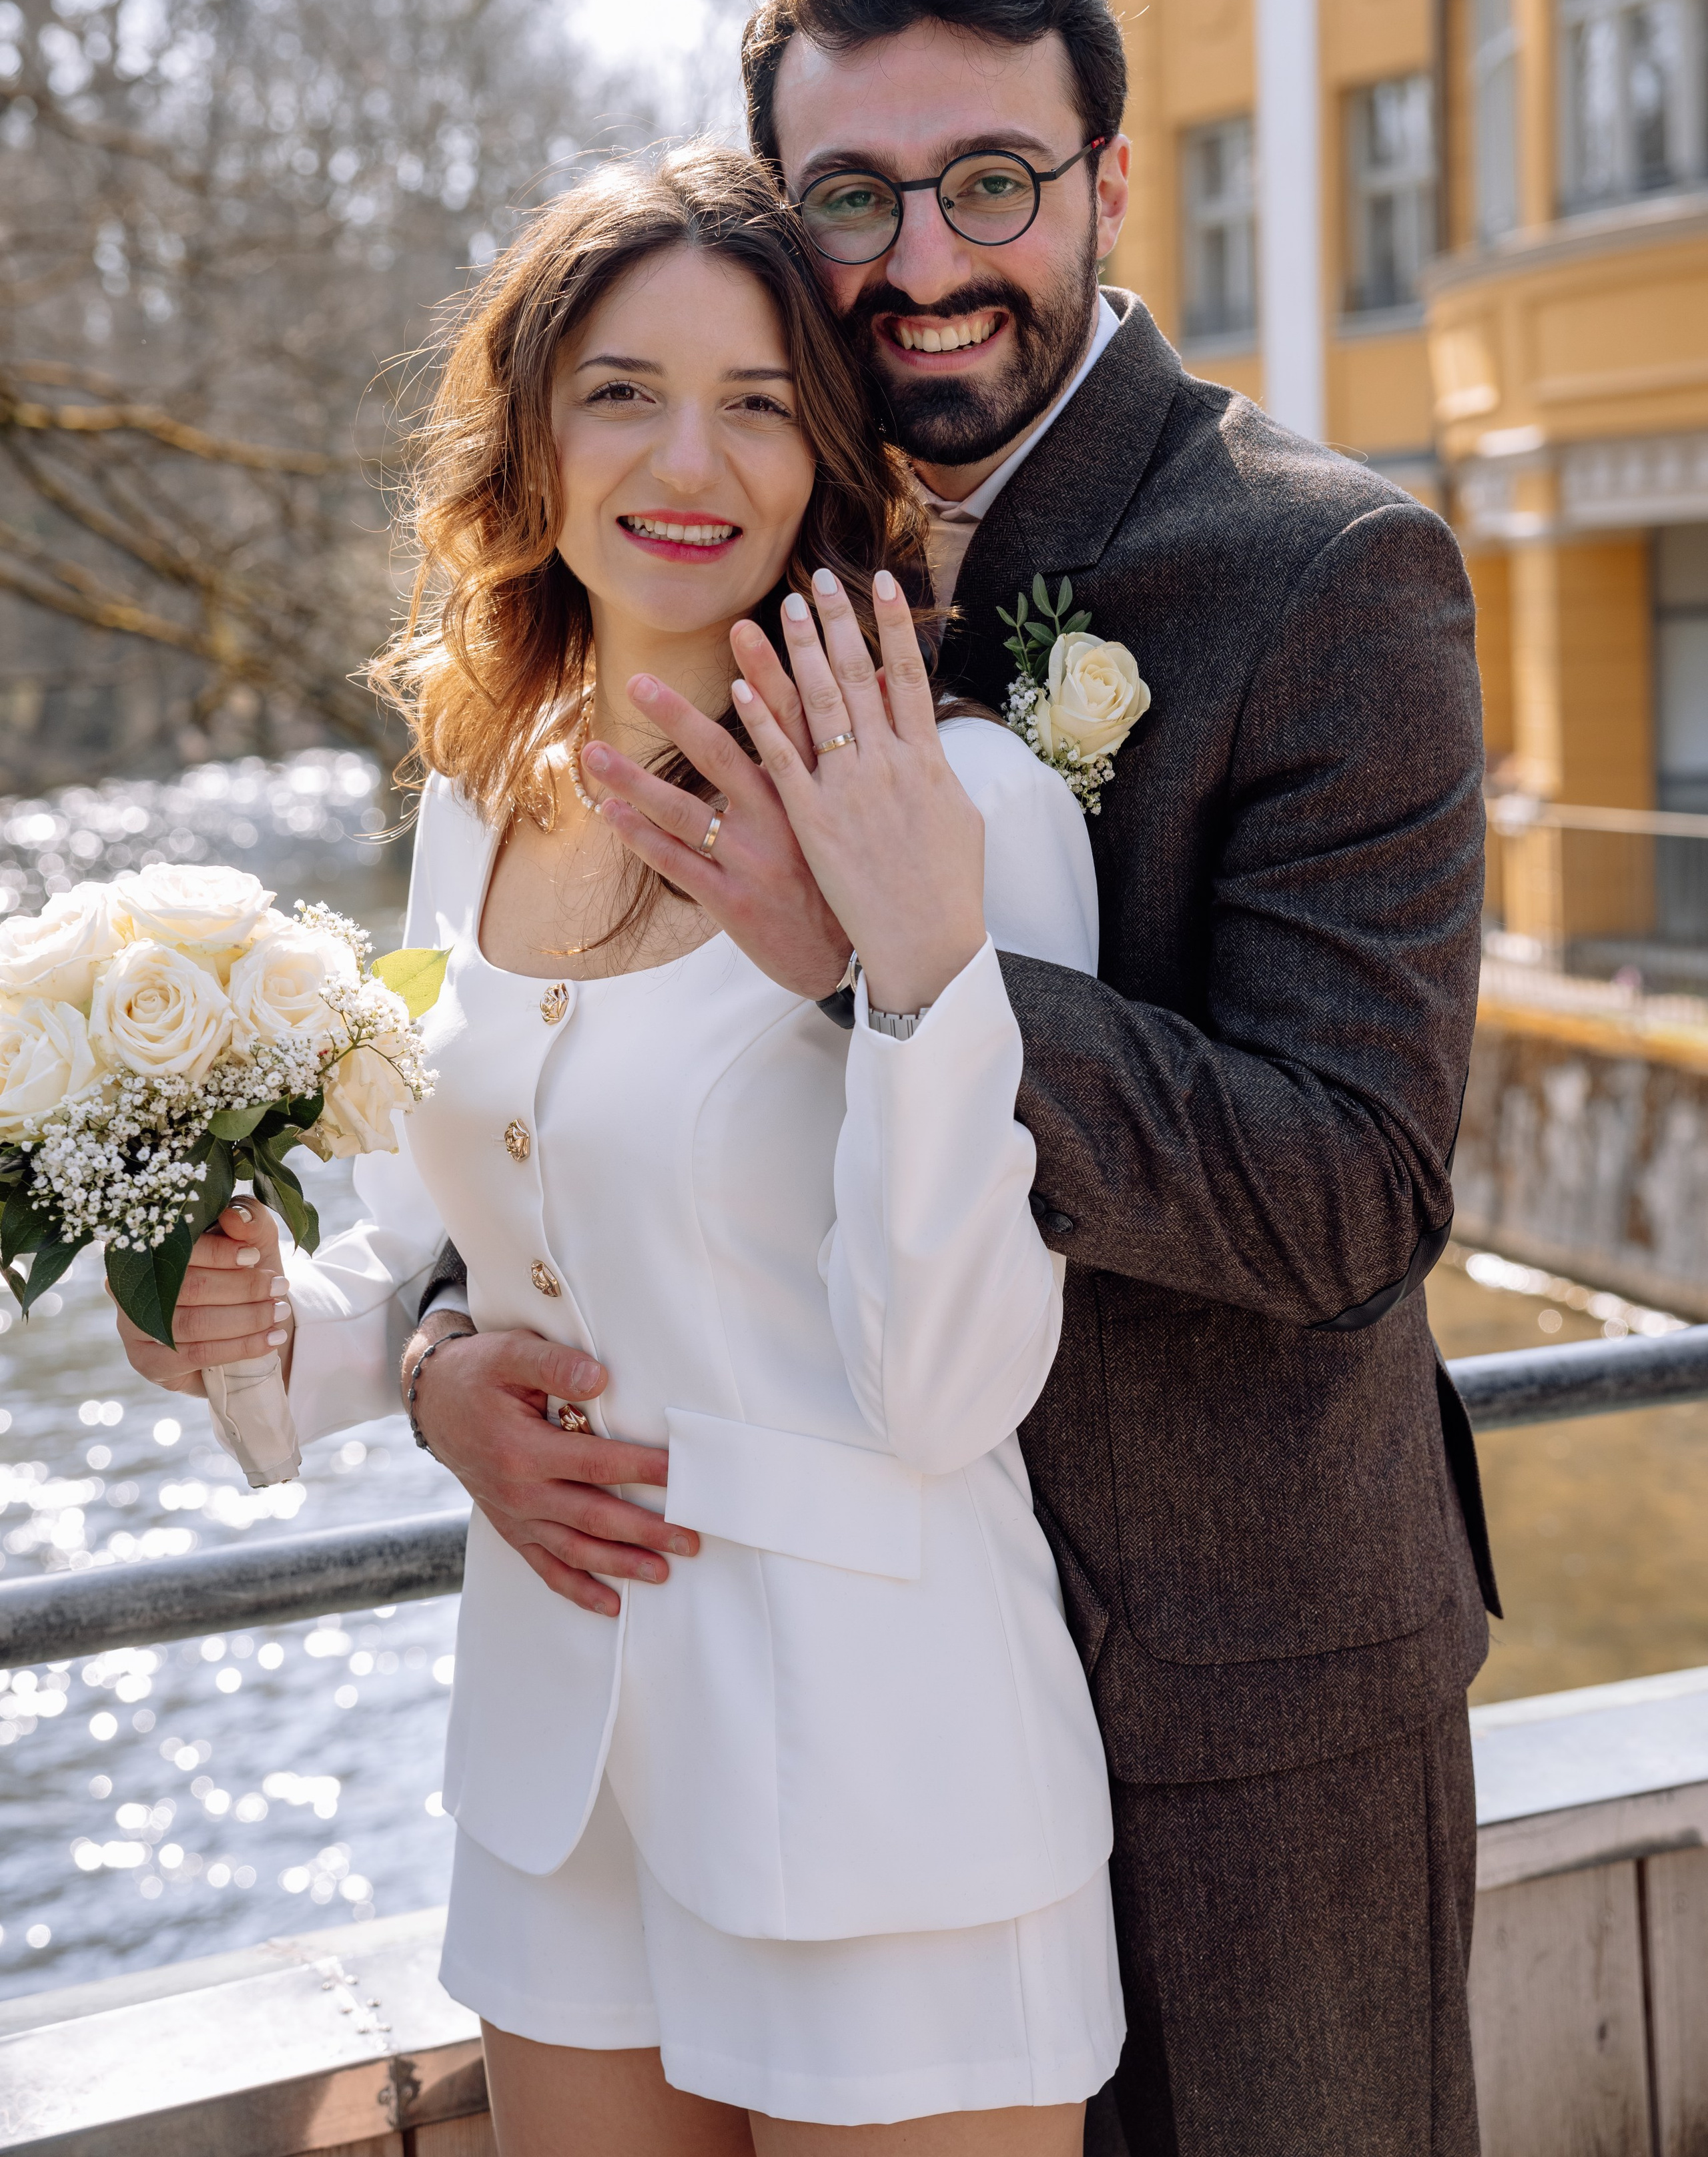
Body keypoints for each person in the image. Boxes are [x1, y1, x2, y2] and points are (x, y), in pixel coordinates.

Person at [380, 0, 1499, 2156]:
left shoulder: (1322, 571)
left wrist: (899, 972)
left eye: (990, 179)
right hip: (777, 1692)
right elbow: (567, 1086)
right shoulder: (712, 559)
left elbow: (1352, 1195)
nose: (923, 257)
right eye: (854, 198)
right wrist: (427, 1367)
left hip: (1234, 1687)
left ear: (1102, 180)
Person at [120, 143, 1127, 2154]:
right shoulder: (481, 804)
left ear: (828, 451)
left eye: (759, 401)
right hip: (559, 1773)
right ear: (531, 441)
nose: (694, 459)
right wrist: (243, 1319)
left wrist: (913, 972)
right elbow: (442, 1248)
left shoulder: (970, 803)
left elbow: (954, 1386)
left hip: (885, 1783)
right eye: (623, 391)